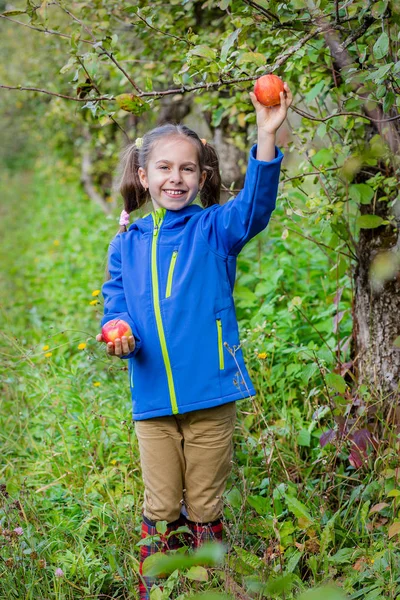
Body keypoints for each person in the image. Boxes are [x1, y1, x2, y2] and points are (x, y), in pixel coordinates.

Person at [97, 83, 292, 599]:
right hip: (153, 399)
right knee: (161, 504)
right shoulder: (127, 243)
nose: (176, 178)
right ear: (144, 175)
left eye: (188, 169)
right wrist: (116, 331)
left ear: (202, 176)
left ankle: (210, 579)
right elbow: (114, 303)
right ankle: (156, 585)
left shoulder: (215, 228)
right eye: (164, 168)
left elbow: (256, 206)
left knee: (204, 502)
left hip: (211, 393)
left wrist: (267, 136)